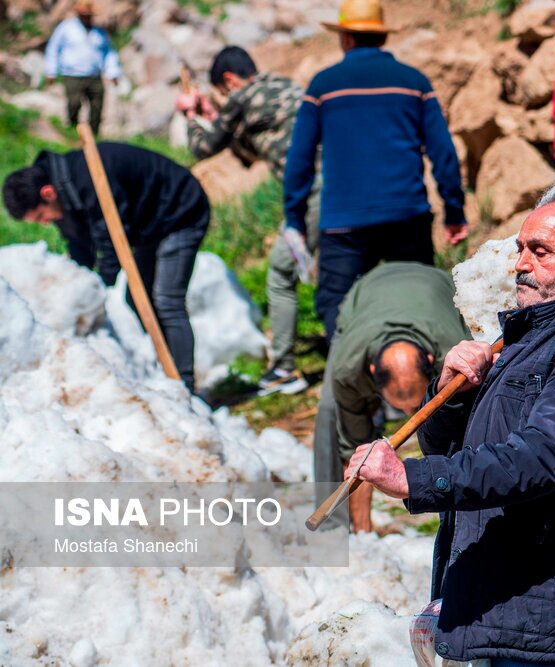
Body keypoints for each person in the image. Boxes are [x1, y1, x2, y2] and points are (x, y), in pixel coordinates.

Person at [345, 183, 555, 664]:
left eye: (540, 252)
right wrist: (449, 392)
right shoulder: (522, 336)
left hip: (542, 615)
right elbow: (440, 445)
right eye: (520, 249)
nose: (520, 264)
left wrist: (410, 479)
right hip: (494, 601)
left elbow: (540, 458)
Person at [284, 0, 467, 342]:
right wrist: (454, 210)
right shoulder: (414, 82)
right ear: (382, 37)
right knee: (421, 299)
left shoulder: (323, 86)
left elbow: (300, 159)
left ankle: (354, 377)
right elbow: (444, 153)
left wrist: (294, 218)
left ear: (346, 39)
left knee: (335, 305)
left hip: (343, 225)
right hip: (407, 217)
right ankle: (424, 379)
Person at [2, 144, 210, 393]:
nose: (45, 222)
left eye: (40, 216)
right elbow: (80, 245)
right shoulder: (61, 192)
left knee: (167, 300)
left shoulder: (89, 178)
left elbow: (111, 235)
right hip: (149, 226)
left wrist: (102, 283)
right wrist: (80, 286)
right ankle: (166, 368)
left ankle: (185, 385)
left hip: (179, 210)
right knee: (136, 299)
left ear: (47, 193)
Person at [176, 45, 319, 396]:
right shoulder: (283, 88)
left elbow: (203, 148)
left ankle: (285, 369)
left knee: (281, 272)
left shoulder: (241, 98)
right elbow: (251, 151)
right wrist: (217, 116)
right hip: (342, 188)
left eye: (221, 94)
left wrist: (191, 115)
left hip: (317, 194)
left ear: (228, 81)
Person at [314, 262, 471, 533]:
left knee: (467, 420)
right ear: (372, 373)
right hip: (367, 292)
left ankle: (469, 515)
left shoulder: (454, 351)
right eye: (402, 408)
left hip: (434, 286)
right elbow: (356, 451)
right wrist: (365, 536)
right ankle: (339, 528)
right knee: (330, 409)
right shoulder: (349, 368)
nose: (412, 416)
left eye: (415, 407)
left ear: (432, 363)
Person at [44, 0, 122, 136]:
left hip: (94, 74)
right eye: (84, 15)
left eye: (89, 15)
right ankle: (73, 130)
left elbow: (108, 53)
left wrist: (113, 72)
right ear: (78, 14)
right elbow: (53, 48)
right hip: (72, 73)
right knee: (74, 103)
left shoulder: (99, 32)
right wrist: (51, 71)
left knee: (97, 105)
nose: (87, 17)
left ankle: (94, 134)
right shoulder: (66, 28)